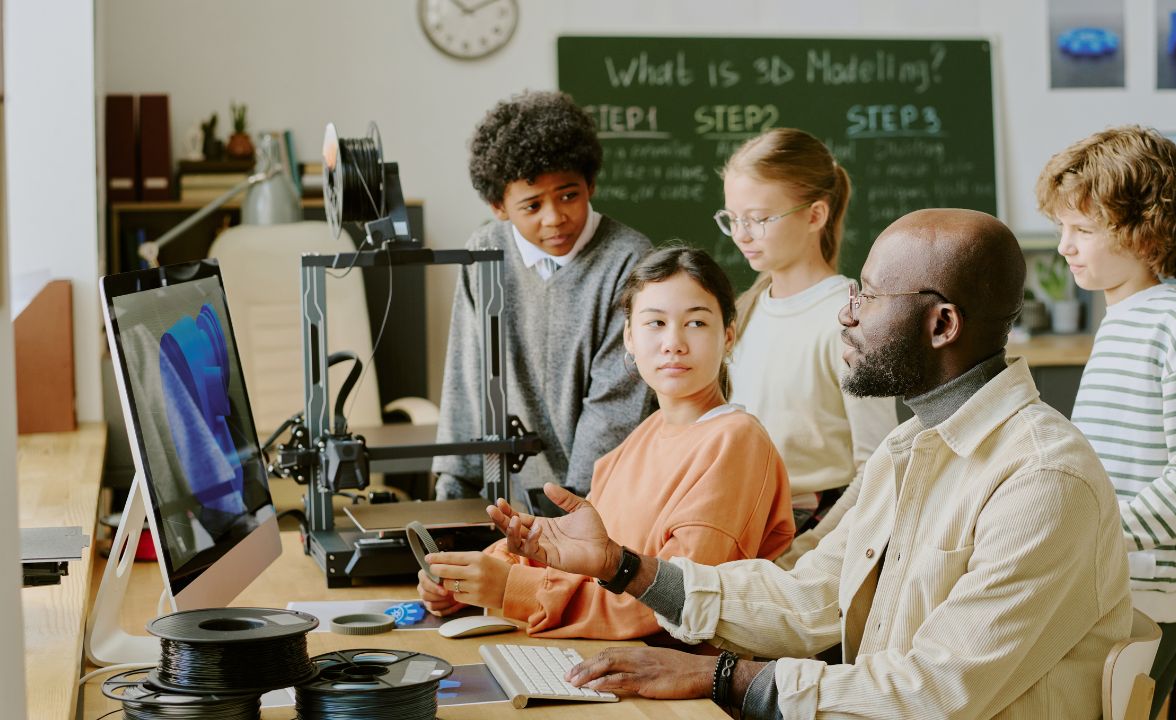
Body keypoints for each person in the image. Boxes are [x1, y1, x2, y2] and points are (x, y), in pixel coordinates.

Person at [486, 209, 1133, 719]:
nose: (846, 314)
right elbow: (809, 595)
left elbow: (938, 691)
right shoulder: (906, 451)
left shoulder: (1044, 481)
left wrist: (724, 678)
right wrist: (625, 567)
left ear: (941, 325)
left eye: (871, 296)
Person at [419, 247, 794, 640]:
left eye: (696, 323)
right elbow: (582, 562)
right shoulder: (641, 438)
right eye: (655, 323)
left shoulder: (736, 442)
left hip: (673, 680)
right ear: (629, 338)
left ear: (729, 336)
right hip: (600, 659)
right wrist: (474, 575)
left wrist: (510, 588)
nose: (674, 343)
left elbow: (672, 603)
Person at [1037, 125, 1176, 717]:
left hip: (1146, 583)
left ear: (1147, 236)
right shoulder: (1124, 318)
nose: (1064, 247)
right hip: (1114, 577)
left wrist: (1105, 536)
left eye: (1083, 231)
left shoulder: (1173, 320)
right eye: (1062, 230)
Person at [433, 90, 653, 509]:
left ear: (590, 183)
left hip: (602, 504)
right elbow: (465, 376)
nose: (554, 218)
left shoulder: (629, 259)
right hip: (508, 505)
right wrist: (453, 491)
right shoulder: (484, 253)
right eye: (532, 205)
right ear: (498, 205)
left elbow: (616, 403)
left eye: (569, 195)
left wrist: (572, 510)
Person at [718, 128, 897, 535]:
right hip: (745, 521)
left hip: (814, 532)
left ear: (815, 214)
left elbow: (879, 465)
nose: (742, 235)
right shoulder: (745, 312)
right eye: (733, 219)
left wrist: (814, 549)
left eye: (759, 219)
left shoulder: (850, 320)